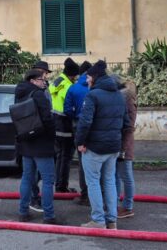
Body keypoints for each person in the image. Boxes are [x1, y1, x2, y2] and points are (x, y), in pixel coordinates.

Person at [75, 60, 130, 229]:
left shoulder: (92, 95)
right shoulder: (119, 95)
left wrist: (80, 142)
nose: (86, 80)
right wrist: (119, 143)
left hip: (95, 148)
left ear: (95, 77)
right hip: (113, 146)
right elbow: (127, 123)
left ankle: (98, 220)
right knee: (109, 182)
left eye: (88, 77)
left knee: (93, 182)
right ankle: (111, 220)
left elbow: (85, 122)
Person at [15, 69, 61, 225]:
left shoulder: (20, 93)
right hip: (42, 143)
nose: (45, 82)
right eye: (42, 79)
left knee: (27, 178)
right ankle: (49, 215)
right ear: (33, 81)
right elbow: (47, 118)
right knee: (48, 180)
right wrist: (52, 135)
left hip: (26, 142)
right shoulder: (38, 95)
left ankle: (23, 212)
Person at [64, 60, 92, 205]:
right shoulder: (95, 88)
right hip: (95, 129)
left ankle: (85, 194)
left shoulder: (73, 88)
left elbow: (67, 109)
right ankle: (98, 195)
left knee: (83, 162)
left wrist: (75, 117)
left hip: (79, 127)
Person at [50, 57, 80, 192]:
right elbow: (70, 106)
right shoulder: (69, 86)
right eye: (75, 75)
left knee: (59, 155)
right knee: (65, 156)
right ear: (71, 74)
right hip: (66, 123)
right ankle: (61, 186)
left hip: (56, 122)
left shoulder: (57, 81)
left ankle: (59, 184)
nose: (76, 78)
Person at [28, 60, 52, 213]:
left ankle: (33, 198)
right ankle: (35, 200)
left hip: (39, 134)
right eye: (44, 73)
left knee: (34, 172)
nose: (46, 76)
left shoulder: (44, 87)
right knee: (37, 174)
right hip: (37, 134)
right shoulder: (35, 90)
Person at [115, 79, 137, 219]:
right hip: (121, 144)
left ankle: (128, 207)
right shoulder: (129, 99)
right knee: (117, 175)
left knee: (125, 176)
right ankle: (117, 204)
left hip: (124, 145)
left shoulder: (126, 101)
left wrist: (122, 149)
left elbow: (128, 127)